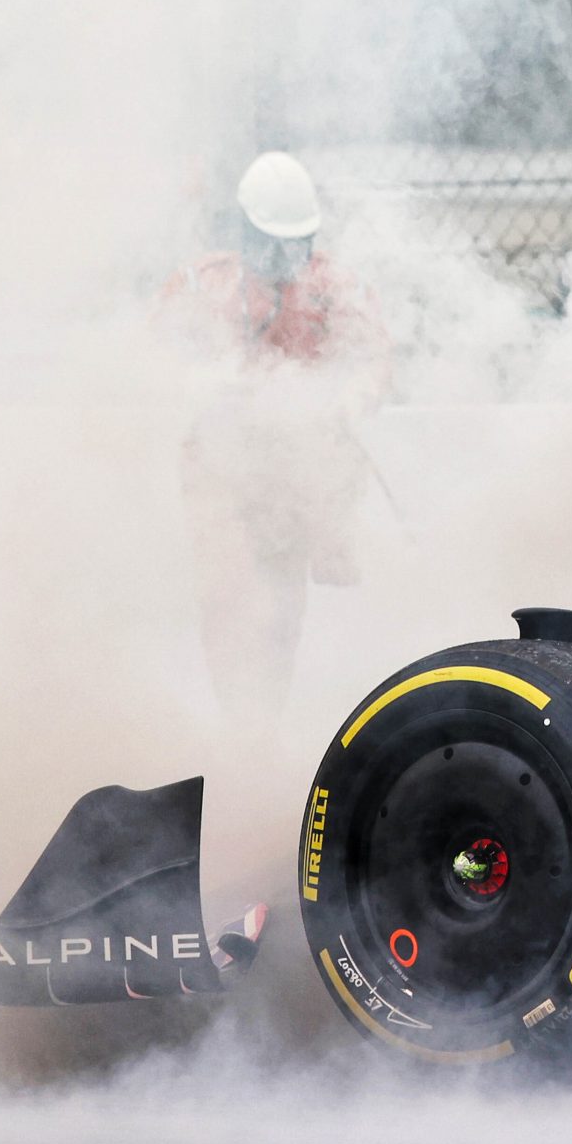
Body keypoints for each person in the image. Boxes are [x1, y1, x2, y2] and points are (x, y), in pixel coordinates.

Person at [161, 152, 391, 721]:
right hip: (219, 469)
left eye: (297, 246)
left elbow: (372, 362)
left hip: (294, 473)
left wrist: (343, 401)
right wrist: (208, 387)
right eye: (272, 245)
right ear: (245, 231)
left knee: (283, 607)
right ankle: (239, 721)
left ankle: (263, 723)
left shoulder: (338, 289)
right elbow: (155, 360)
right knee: (228, 593)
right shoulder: (200, 286)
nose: (285, 260)